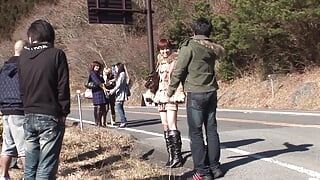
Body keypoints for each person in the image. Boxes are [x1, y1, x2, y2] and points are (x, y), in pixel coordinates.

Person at [167, 18, 225, 180]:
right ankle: (215, 167)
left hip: (195, 93)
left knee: (196, 132)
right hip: (211, 91)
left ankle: (202, 171)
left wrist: (170, 90)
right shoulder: (212, 47)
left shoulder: (190, 46)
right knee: (212, 130)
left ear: (194, 31)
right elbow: (222, 51)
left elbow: (179, 70)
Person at [18, 19, 70, 180]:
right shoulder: (56, 54)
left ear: (32, 37)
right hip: (50, 115)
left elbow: (21, 88)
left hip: (28, 114)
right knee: (46, 167)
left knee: (30, 168)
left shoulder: (23, 56)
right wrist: (64, 111)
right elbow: (63, 87)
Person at [153, 39, 185, 168]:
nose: (165, 51)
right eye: (162, 49)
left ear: (170, 48)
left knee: (172, 124)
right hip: (160, 95)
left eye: (166, 48)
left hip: (171, 95)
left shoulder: (175, 61)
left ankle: (177, 156)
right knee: (165, 125)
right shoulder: (159, 61)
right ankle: (171, 155)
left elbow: (177, 78)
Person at [0, 40, 27, 180]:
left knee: (7, 146)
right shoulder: (24, 66)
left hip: (5, 109)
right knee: (24, 148)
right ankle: (30, 176)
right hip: (19, 108)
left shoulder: (4, 67)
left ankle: (3, 175)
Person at [107, 63, 129, 128]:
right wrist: (112, 81)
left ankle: (123, 121)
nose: (115, 69)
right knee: (120, 107)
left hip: (121, 93)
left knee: (118, 107)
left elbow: (118, 84)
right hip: (120, 92)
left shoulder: (122, 74)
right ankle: (123, 120)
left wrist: (112, 91)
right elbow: (117, 80)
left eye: (116, 67)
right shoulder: (120, 74)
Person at [89, 61, 108, 127]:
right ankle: (98, 122)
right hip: (96, 91)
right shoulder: (92, 73)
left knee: (103, 107)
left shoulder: (99, 73)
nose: (97, 67)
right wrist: (103, 87)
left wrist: (104, 76)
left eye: (98, 66)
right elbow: (97, 82)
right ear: (93, 66)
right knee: (98, 107)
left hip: (101, 91)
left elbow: (103, 81)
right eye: (96, 66)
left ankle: (101, 122)